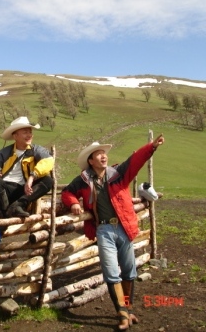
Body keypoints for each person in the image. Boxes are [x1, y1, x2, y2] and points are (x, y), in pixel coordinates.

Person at [61, 134, 165, 331]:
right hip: (104, 229)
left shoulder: (118, 173)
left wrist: (151, 146)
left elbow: (135, 160)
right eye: (98, 154)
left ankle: (128, 307)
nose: (103, 156)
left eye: (104, 153)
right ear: (90, 161)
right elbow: (67, 192)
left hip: (123, 227)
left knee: (128, 270)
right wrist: (74, 203)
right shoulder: (83, 180)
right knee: (111, 271)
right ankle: (122, 313)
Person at [0, 116, 54, 219]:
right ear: (15, 136)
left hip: (24, 189)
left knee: (48, 181)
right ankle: (6, 211)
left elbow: (48, 161)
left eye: (30, 132)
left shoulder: (37, 150)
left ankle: (18, 205)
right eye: (25, 132)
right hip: (4, 189)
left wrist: (32, 177)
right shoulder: (4, 153)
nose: (29, 135)